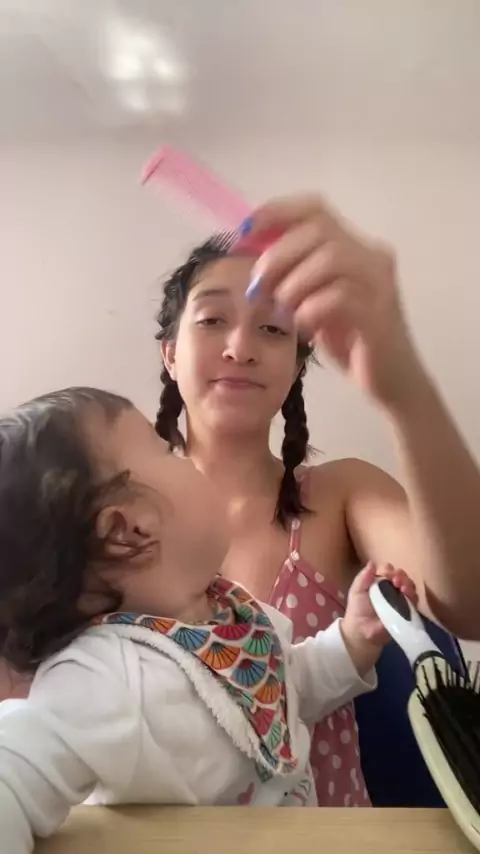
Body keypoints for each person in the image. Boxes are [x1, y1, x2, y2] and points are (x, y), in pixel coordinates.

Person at [153, 194, 480, 805]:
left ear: (296, 364)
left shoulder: (340, 494)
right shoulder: (113, 512)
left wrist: (404, 388)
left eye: (273, 328)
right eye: (212, 320)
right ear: (169, 353)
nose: (241, 347)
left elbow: (473, 603)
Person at [0, 387, 414, 853]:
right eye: (166, 451)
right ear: (129, 530)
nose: (187, 458)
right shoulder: (108, 676)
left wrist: (352, 641)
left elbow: (284, 688)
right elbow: (10, 772)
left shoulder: (226, 614)